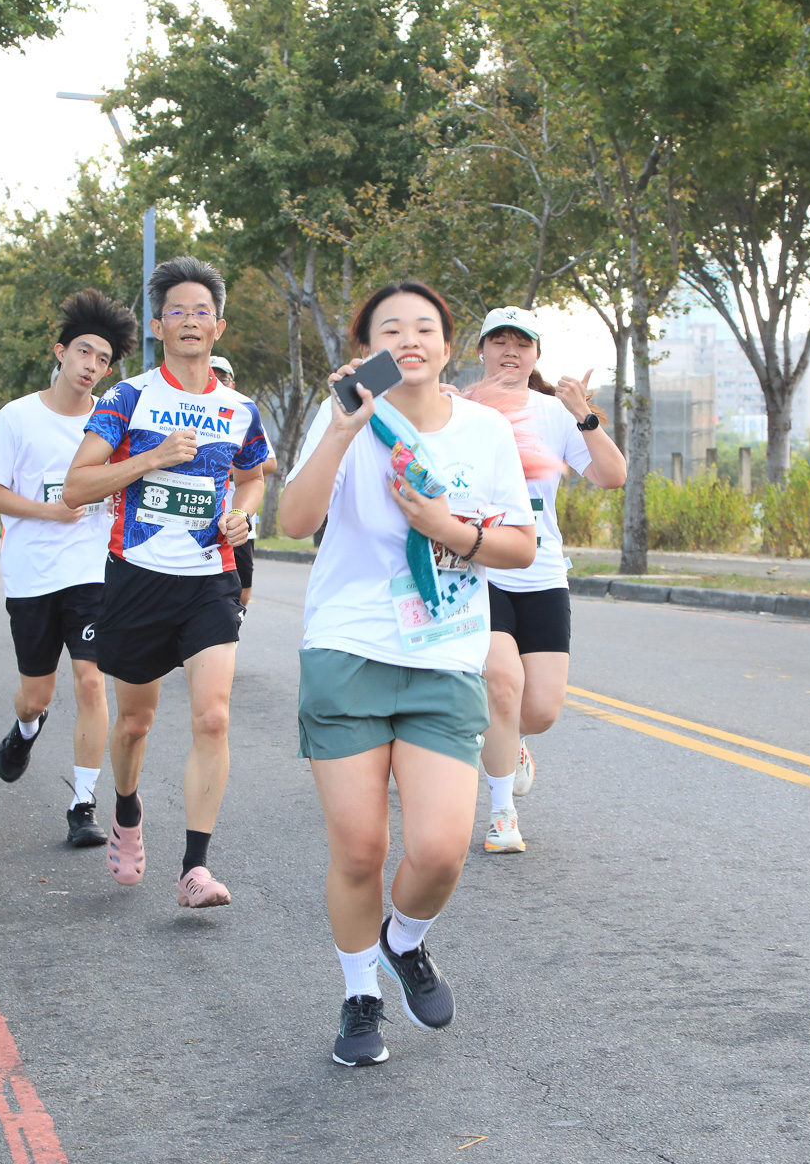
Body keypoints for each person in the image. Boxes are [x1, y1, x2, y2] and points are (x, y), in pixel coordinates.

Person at [277, 280, 535, 1067]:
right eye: (391, 330)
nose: (410, 340)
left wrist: (447, 529)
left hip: (444, 658)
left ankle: (404, 939)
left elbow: (521, 546)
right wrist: (342, 429)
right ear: (367, 350)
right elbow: (295, 521)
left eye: (425, 328)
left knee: (441, 849)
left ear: (448, 348)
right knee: (360, 849)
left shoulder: (485, 431)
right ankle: (360, 996)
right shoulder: (347, 417)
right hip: (348, 651)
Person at [62, 256, 269, 909]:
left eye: (201, 311)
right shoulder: (127, 399)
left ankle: (194, 869)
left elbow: (253, 476)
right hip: (137, 577)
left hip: (210, 578)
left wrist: (243, 515)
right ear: (158, 326)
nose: (189, 321)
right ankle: (126, 807)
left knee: (213, 716)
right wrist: (151, 457)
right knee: (134, 722)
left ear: (218, 326)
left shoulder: (240, 409)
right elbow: (76, 486)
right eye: (176, 310)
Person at [466, 307, 626, 853]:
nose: (510, 351)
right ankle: (501, 815)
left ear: (536, 354)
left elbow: (612, 476)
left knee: (540, 711)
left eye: (522, 343)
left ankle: (510, 741)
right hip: (478, 566)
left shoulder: (556, 412)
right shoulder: (460, 408)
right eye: (499, 341)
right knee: (501, 683)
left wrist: (584, 413)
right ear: (482, 350)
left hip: (541, 569)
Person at [0, 290, 137, 848]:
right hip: (32, 573)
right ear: (61, 352)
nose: (92, 366)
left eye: (103, 360)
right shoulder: (18, 416)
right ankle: (26, 729)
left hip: (92, 571)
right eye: (84, 352)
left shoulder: (111, 422)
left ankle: (83, 803)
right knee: (37, 695)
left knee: (92, 680)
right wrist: (51, 510)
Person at [209, 356, 280, 606]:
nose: (218, 382)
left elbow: (269, 463)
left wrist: (228, 468)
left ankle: (234, 619)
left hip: (238, 519)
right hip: (204, 518)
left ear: (233, 383)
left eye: (223, 378)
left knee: (243, 589)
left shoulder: (243, 414)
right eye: (212, 376)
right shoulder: (193, 413)